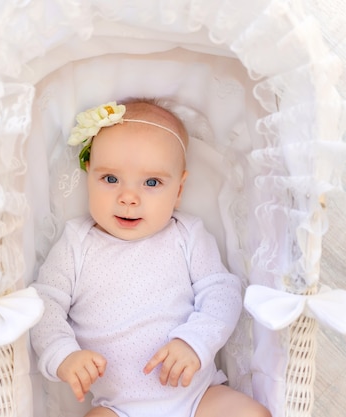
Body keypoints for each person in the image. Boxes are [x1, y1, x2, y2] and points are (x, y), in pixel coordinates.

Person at [31, 99, 270, 417]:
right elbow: (44, 305)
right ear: (89, 174)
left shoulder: (187, 234)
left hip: (198, 398)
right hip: (119, 408)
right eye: (111, 179)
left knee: (252, 414)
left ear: (179, 189)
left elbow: (222, 293)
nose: (128, 197)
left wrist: (194, 342)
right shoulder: (76, 243)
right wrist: (63, 354)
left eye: (152, 183)